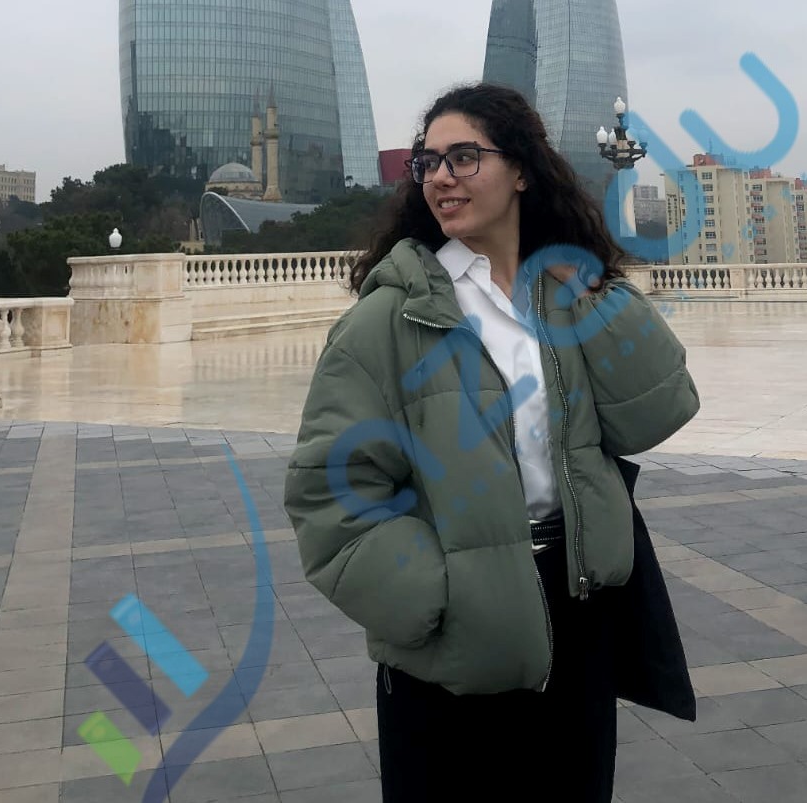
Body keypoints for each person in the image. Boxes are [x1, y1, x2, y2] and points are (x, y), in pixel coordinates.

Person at [283, 83, 700, 802]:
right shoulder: (390, 319)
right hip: (456, 639)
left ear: (523, 171)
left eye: (464, 157)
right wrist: (435, 599)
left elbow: (656, 412)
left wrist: (599, 294)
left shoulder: (562, 297)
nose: (441, 176)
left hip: (577, 614)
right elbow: (331, 495)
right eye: (429, 162)